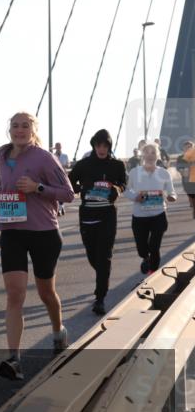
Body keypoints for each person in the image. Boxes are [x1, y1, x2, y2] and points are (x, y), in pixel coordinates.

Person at [0, 112, 74, 381]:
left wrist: (38, 187)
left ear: (33, 130)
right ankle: (14, 359)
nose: (19, 130)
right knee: (15, 294)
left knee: (46, 292)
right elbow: (6, 186)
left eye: (25, 126)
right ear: (8, 129)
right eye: (15, 126)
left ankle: (58, 332)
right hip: (11, 232)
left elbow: (67, 193)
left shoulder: (44, 157)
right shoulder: (1, 157)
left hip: (43, 232)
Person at [68, 129, 127, 315]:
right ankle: (103, 273)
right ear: (94, 146)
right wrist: (78, 188)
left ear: (109, 147)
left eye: (105, 146)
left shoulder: (117, 165)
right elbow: (68, 180)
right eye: (98, 145)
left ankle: (100, 298)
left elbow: (123, 183)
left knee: (104, 256)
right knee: (93, 255)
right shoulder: (84, 165)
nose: (101, 149)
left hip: (108, 214)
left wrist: (117, 189)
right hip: (87, 214)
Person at [124, 142, 177, 274]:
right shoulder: (134, 172)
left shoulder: (164, 173)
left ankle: (152, 273)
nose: (149, 155)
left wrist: (171, 197)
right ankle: (145, 258)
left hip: (158, 215)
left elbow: (172, 192)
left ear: (157, 156)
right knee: (142, 249)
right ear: (142, 155)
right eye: (146, 152)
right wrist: (135, 197)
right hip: (139, 216)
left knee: (154, 246)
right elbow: (126, 190)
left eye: (153, 152)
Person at [177, 140, 195, 219]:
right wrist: (182, 171)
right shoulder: (180, 158)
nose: (188, 149)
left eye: (190, 147)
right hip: (186, 179)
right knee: (190, 194)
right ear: (183, 149)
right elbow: (179, 168)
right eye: (186, 147)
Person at [52, 143, 70, 215]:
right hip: (55, 176)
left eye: (59, 147)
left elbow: (68, 164)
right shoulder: (52, 155)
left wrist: (65, 165)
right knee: (58, 192)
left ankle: (61, 207)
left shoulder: (65, 156)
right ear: (55, 148)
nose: (58, 148)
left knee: (63, 191)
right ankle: (60, 208)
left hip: (63, 176)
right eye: (57, 147)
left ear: (61, 147)